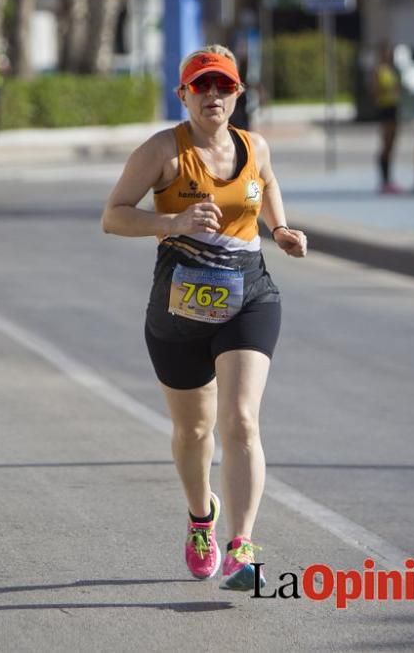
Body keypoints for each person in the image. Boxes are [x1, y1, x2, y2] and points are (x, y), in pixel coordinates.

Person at [101, 45, 307, 591]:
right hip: (178, 309)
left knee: (240, 420)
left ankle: (242, 546)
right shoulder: (162, 152)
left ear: (238, 93)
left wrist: (280, 228)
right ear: (184, 94)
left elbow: (267, 183)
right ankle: (201, 519)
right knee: (194, 429)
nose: (213, 96)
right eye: (202, 86)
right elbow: (113, 216)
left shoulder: (253, 145)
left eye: (223, 86)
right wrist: (173, 220)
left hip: (249, 297)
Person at [372, 41, 402, 194]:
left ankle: (389, 179)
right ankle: (384, 180)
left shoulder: (393, 70)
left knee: (391, 146)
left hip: (393, 109)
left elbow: (398, 89)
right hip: (385, 109)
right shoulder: (379, 71)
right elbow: (375, 92)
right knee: (385, 145)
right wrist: (387, 91)